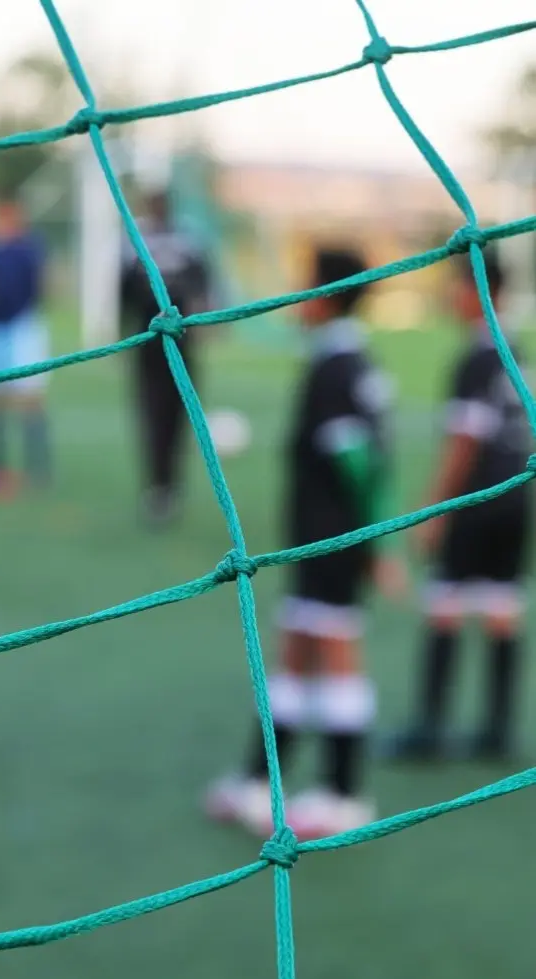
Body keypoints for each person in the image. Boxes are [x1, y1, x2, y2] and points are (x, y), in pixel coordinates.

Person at [205, 247, 404, 839]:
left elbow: (360, 460)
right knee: (295, 652)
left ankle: (346, 796)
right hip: (320, 537)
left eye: (308, 283)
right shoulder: (347, 360)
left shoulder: (339, 366)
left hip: (333, 538)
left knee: (336, 654)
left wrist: (378, 542)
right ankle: (257, 782)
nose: (299, 295)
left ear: (327, 295)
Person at [387, 249, 530, 762]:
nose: (452, 296)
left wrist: (435, 509)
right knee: (501, 605)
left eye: (458, 286)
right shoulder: (513, 349)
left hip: (478, 498)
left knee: (445, 601)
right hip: (515, 495)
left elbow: (465, 442)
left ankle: (430, 728)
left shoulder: (476, 358)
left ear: (480, 292)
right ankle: (496, 729)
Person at [120, 189, 211, 526]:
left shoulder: (186, 241)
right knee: (152, 415)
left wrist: (204, 319)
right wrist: (123, 335)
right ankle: (157, 487)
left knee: (179, 414)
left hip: (181, 343)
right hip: (149, 345)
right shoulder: (135, 243)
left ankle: (171, 486)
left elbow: (202, 282)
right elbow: (124, 290)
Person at [0, 194, 50, 498]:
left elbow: (39, 286)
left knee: (30, 398)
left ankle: (36, 468)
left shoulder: (29, 249)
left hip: (22, 328)